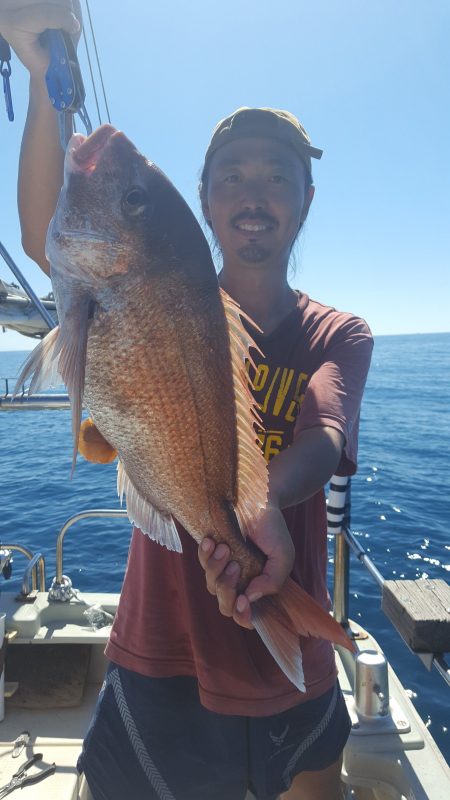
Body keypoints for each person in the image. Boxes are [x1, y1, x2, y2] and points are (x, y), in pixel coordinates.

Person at [1, 3, 373, 799]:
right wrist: (40, 79)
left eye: (278, 176)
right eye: (232, 174)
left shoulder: (339, 331)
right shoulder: (159, 288)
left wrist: (257, 505)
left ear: (306, 199)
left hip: (286, 644)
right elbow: (44, 235)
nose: (254, 191)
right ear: (203, 201)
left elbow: (323, 429)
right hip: (160, 643)